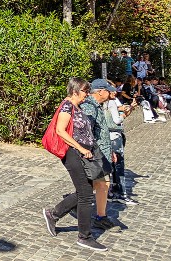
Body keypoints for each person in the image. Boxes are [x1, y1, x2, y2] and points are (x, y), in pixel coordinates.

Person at [42, 78, 109, 252]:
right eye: (85, 91)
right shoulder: (67, 106)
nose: (87, 95)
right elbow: (60, 130)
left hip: (84, 153)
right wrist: (80, 147)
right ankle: (84, 236)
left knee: (84, 191)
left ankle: (53, 214)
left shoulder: (77, 107)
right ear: (75, 91)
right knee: (86, 194)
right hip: (73, 153)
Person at [80, 78, 119, 230]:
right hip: (95, 154)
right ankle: (99, 216)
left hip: (101, 152)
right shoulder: (89, 107)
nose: (110, 93)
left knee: (100, 185)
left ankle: (99, 215)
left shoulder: (96, 105)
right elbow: (88, 133)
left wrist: (110, 151)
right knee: (101, 185)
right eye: (108, 90)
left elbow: (102, 130)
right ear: (100, 92)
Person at [105, 88, 138, 205]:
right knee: (118, 164)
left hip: (107, 137)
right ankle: (120, 193)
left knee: (111, 166)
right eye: (111, 90)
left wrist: (129, 108)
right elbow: (117, 120)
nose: (114, 92)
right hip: (114, 136)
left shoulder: (104, 103)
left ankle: (110, 191)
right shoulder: (111, 102)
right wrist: (125, 114)